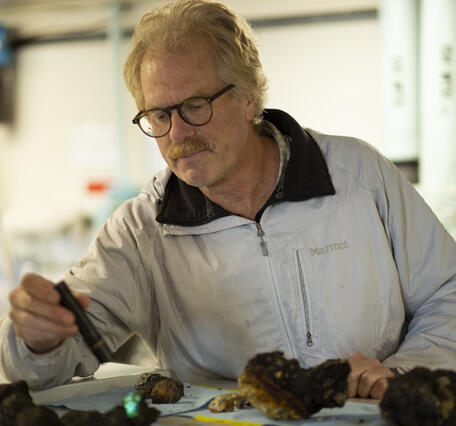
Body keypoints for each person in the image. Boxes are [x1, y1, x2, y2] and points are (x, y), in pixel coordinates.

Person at [1, 0, 456, 400]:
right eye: (159, 114)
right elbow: (47, 368)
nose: (177, 134)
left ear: (248, 98)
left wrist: (399, 371)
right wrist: (37, 341)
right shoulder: (141, 232)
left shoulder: (357, 176)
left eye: (195, 105)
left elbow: (447, 294)